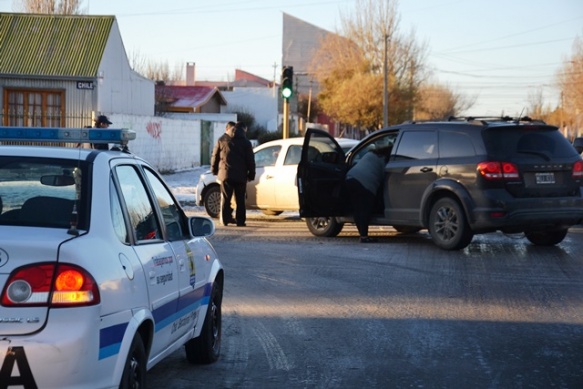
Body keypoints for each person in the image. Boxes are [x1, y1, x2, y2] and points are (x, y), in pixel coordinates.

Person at [211, 121, 255, 226]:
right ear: (243, 130)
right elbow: (250, 161)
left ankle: (225, 219)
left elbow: (215, 156)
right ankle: (240, 221)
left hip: (226, 175)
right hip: (241, 176)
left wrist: (214, 170)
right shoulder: (246, 143)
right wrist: (251, 175)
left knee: (226, 198)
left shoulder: (222, 140)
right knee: (240, 200)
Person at [344, 145, 391, 243]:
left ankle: (362, 235)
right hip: (366, 183)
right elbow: (386, 177)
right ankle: (364, 236)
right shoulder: (384, 160)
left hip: (350, 177)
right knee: (365, 210)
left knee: (357, 209)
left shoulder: (370, 154)